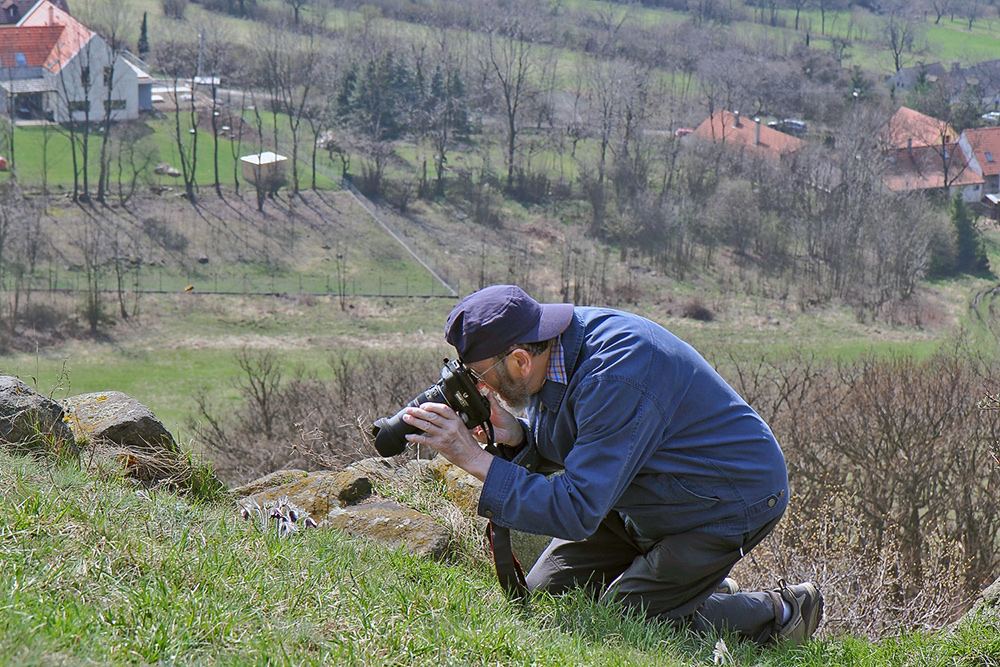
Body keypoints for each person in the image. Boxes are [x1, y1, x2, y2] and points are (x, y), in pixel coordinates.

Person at [401, 284, 823, 646]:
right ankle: (687, 586)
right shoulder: (556, 347)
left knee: (622, 622)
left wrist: (475, 460)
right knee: (550, 596)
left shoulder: (615, 372)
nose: (478, 387)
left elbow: (576, 510)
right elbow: (590, 443)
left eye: (481, 375)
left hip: (726, 500)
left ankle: (782, 611)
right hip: (640, 492)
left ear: (519, 361)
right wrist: (519, 434)